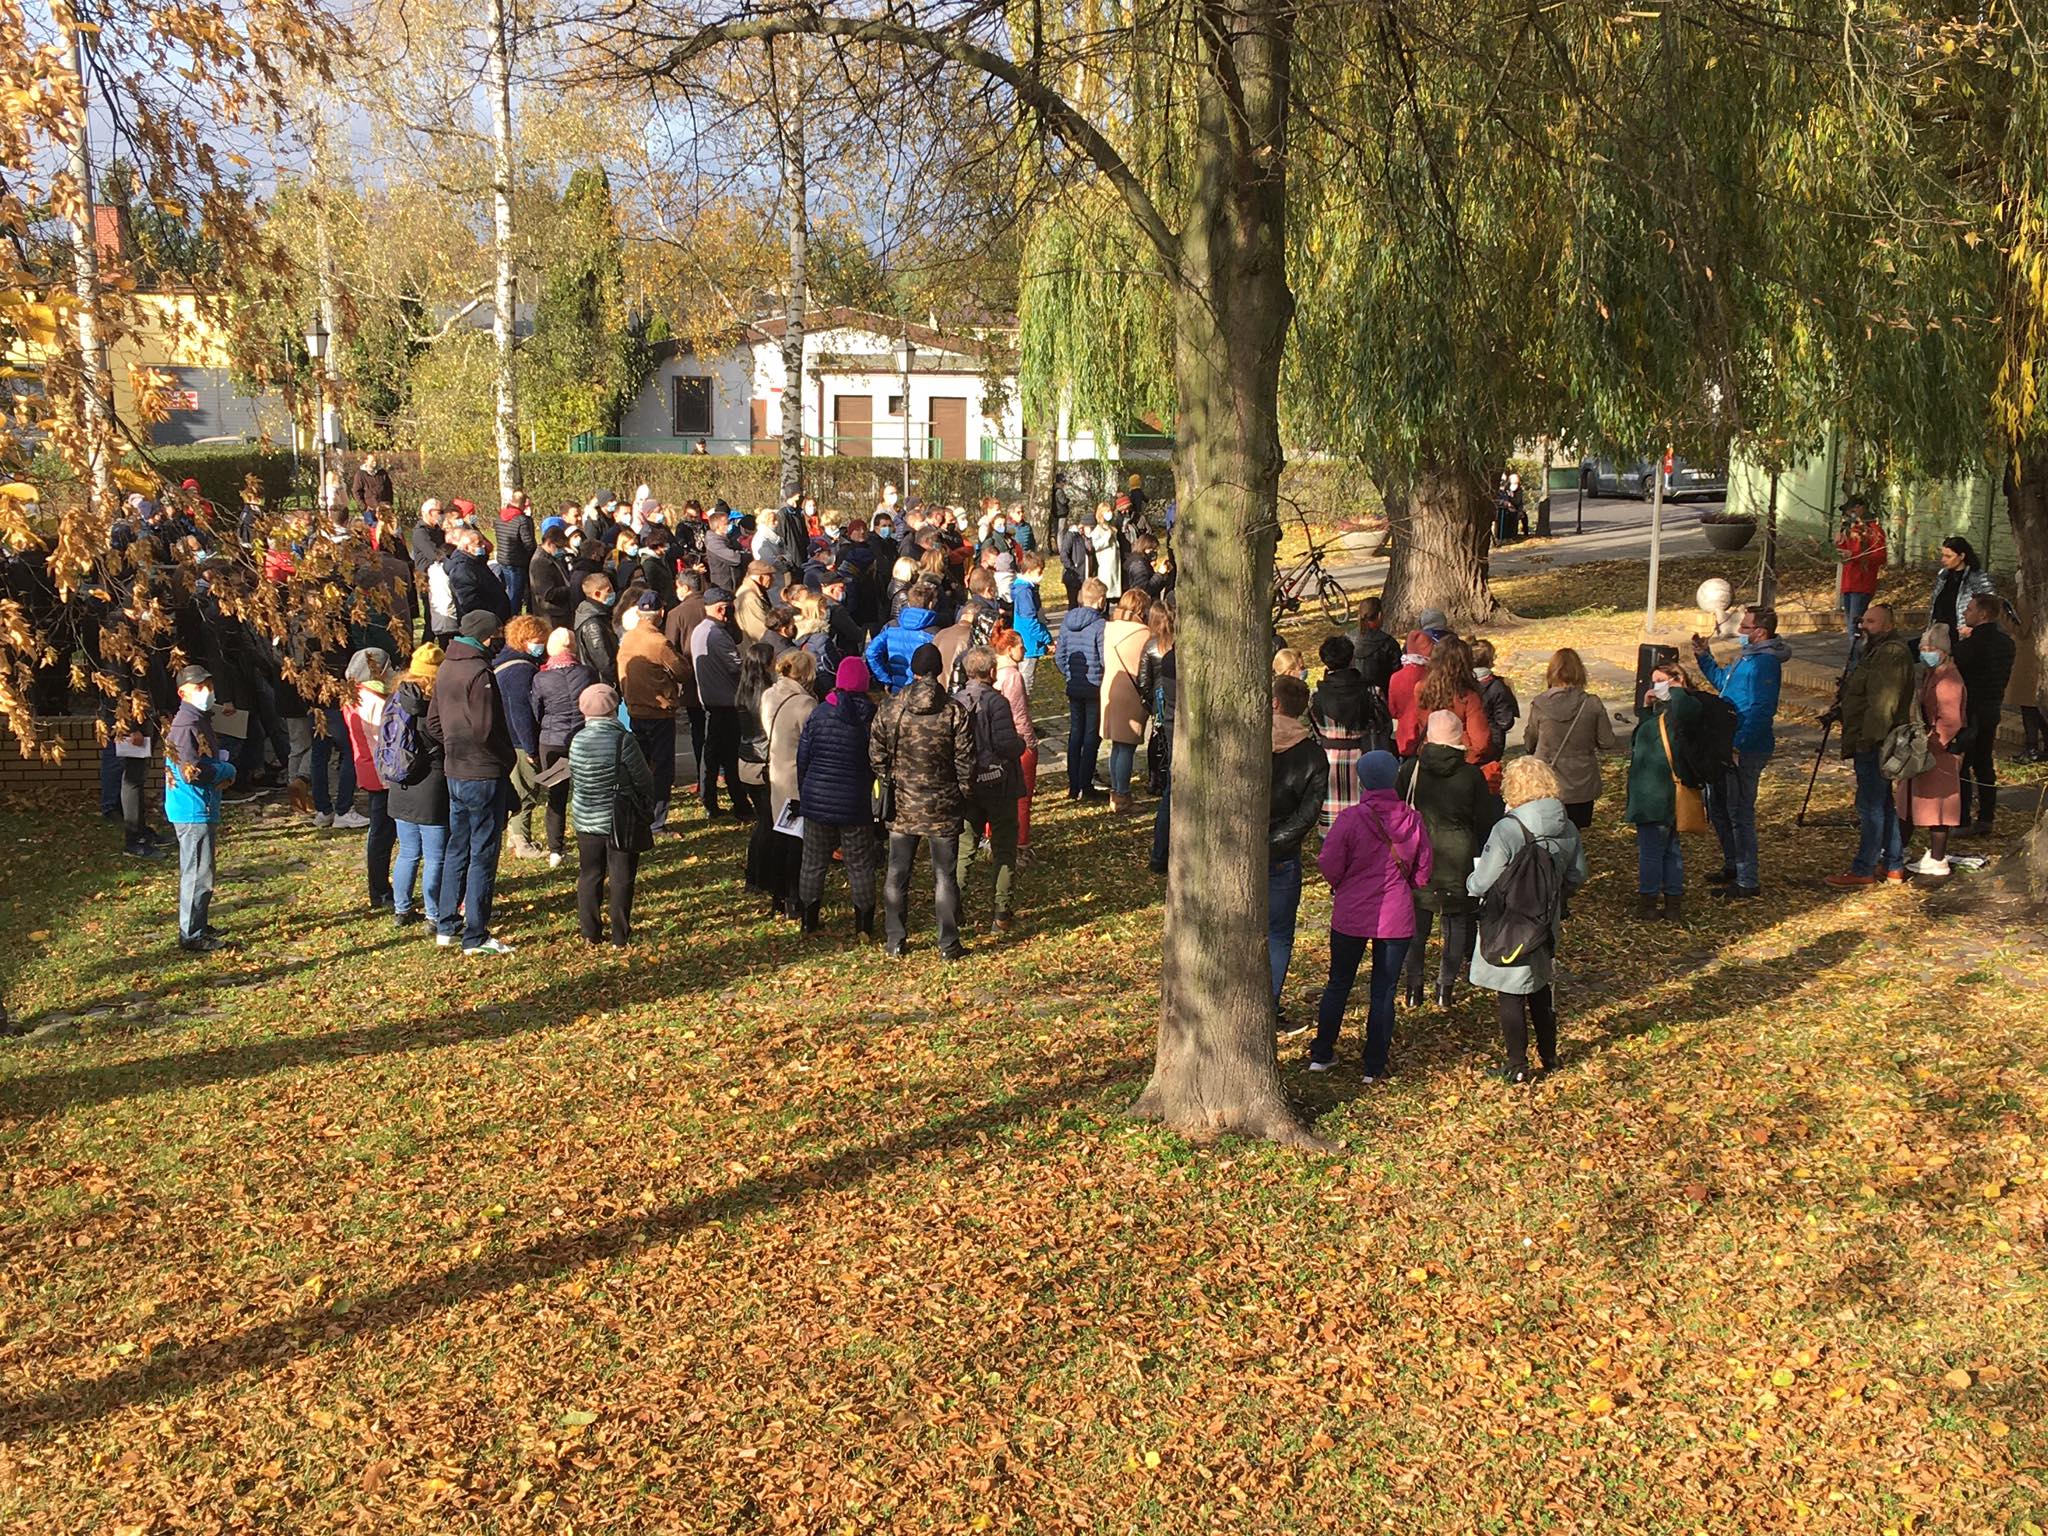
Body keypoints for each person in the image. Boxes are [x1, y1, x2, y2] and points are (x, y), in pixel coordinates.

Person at [1309, 749, 1431, 1079]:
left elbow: (1328, 861)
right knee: (1384, 991)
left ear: (1362, 781)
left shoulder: (1350, 819)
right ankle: (1373, 1066)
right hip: (1396, 917)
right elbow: (1422, 873)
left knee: (1338, 984)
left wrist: (1344, 884)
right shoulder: (1412, 819)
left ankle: (1322, 1053)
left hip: (1351, 913)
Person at [1467, 756, 1589, 1083]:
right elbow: (1578, 874)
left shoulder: (1508, 829)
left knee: (1510, 991)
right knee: (1540, 986)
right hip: (1545, 921)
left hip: (1511, 921)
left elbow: (1483, 880)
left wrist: (1470, 884)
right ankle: (1549, 1056)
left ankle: (1517, 1065)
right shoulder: (1567, 825)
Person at [872, 643, 976, 959]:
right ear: (939, 670)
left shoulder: (890, 708)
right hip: (943, 808)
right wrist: (962, 794)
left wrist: (891, 778)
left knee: (897, 872)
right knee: (944, 876)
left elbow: (876, 755)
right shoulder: (954, 711)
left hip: (902, 806)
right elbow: (966, 762)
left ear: (913, 672)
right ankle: (948, 943)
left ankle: (895, 940)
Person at [424, 611, 515, 957]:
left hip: (454, 771)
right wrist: (504, 759)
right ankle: (475, 934)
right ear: (487, 637)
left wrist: (451, 747)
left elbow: (433, 721)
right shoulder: (480, 672)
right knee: (483, 853)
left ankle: (446, 924)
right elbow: (486, 729)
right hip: (483, 773)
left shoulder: (446, 666)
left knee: (456, 847)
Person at [1396, 710, 1498, 1010]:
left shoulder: (1411, 769)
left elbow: (1397, 809)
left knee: (1417, 925)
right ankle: (1445, 988)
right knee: (1455, 923)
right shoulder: (1471, 775)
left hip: (1419, 853)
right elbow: (1485, 819)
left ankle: (1413, 987)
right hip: (1459, 854)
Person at [1691, 604, 1789, 899]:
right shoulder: (1746, 659)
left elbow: (1761, 710)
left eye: (1745, 628)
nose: (1739, 633)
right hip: (1727, 741)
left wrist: (1739, 745)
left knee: (1739, 812)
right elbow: (1723, 684)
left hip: (1745, 749)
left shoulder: (1764, 664)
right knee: (1719, 807)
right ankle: (1733, 863)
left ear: (1760, 632)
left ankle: (1748, 879)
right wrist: (1703, 657)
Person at [1826, 603, 1919, 888]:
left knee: (1871, 807)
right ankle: (1893, 865)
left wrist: (1869, 741)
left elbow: (1884, 704)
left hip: (1876, 742)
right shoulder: (1874, 649)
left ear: (1888, 626)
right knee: (1882, 804)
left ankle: (1864, 868)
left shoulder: (1891, 653)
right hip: (1868, 737)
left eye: (1872, 621)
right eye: (1864, 620)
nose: (1864, 625)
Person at [796, 657, 880, 936]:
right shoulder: (871, 718)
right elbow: (878, 762)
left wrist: (806, 792)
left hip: (817, 799)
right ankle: (864, 926)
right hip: (856, 802)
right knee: (860, 865)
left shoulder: (819, 714)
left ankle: (808, 921)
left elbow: (803, 758)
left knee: (812, 862)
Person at [567, 683, 655, 948]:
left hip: (585, 818)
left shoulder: (577, 739)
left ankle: (590, 932)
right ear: (614, 709)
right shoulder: (623, 740)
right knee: (621, 876)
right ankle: (620, 935)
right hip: (620, 818)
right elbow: (643, 779)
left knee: (590, 874)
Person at [1268, 673, 1329, 1027]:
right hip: (1282, 853)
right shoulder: (1313, 754)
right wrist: (1278, 842)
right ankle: (1269, 1005)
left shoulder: (1249, 739)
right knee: (1278, 934)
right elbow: (1309, 813)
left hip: (1248, 846)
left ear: (1275, 703)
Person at [1624, 659, 1705, 920]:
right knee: (1670, 849)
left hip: (1657, 793)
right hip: (1654, 792)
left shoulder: (1685, 708)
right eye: (1654, 681)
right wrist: (1647, 709)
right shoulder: (1663, 713)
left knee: (1652, 852)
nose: (1656, 685)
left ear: (1676, 680)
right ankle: (1672, 902)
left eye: (1661, 680)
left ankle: (1649, 901)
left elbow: (1680, 718)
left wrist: (1677, 688)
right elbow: (1644, 738)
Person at [955, 644, 1028, 933]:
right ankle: (1001, 912)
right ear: (992, 671)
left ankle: (955, 907)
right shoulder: (997, 703)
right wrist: (1021, 742)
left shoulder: (956, 701)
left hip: (967, 785)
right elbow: (1006, 745)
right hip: (999, 785)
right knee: (1004, 848)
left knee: (964, 850)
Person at [164, 663, 236, 953]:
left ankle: (199, 923)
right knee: (198, 872)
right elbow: (190, 771)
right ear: (183, 693)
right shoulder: (187, 724)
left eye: (209, 686)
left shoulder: (198, 718)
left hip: (199, 805)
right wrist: (225, 769)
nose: (207, 692)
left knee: (203, 869)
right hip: (192, 808)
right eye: (199, 688)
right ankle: (191, 933)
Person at [385, 644, 449, 930]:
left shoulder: (395, 701)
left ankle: (402, 909)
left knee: (408, 852)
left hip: (400, 784)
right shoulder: (434, 709)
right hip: (431, 786)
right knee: (436, 856)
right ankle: (434, 914)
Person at [1899, 624, 1969, 878]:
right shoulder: (1933, 673)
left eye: (1930, 649)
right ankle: (1905, 849)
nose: (1925, 653)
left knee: (1939, 807)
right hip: (1927, 747)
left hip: (1939, 750)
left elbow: (1950, 720)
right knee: (1911, 802)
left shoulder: (1949, 679)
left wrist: (1931, 742)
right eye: (1923, 649)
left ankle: (1938, 858)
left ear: (1942, 651)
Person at [1521, 647, 1618, 829]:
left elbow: (1529, 743)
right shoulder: (1591, 703)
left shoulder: (1540, 704)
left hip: (1547, 781)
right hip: (1582, 782)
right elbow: (1607, 741)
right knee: (1575, 833)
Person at [618, 593, 689, 834]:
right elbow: (682, 671)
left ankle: (641, 814)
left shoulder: (628, 638)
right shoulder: (658, 643)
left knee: (640, 767)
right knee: (662, 768)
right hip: (658, 712)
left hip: (635, 710)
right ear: (661, 613)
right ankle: (657, 821)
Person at [760, 648, 820, 919]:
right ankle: (794, 899)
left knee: (779, 837)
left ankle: (777, 896)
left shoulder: (769, 695)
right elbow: (814, 741)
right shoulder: (805, 704)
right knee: (796, 842)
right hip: (797, 777)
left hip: (776, 772)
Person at [1309, 633, 1390, 832]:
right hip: (1363, 760)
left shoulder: (1316, 697)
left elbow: (1316, 730)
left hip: (1329, 763)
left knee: (1333, 833)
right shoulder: (1372, 692)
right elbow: (1383, 724)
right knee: (1364, 828)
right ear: (1351, 657)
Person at [530, 628, 594, 867]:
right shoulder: (587, 673)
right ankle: (590, 839)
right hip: (582, 739)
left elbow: (536, 711)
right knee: (587, 790)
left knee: (556, 796)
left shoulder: (541, 678)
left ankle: (555, 849)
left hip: (552, 742)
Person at [1952, 594, 2016, 835]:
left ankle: (1962, 819)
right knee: (1984, 763)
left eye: (1969, 609)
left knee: (1963, 764)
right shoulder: (2006, 643)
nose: (1965, 613)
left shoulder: (1970, 646)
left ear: (1983, 615)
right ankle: (1986, 817)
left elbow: (1957, 668)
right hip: (1992, 707)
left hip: (1970, 711)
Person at [341, 648, 397, 907]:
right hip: (382, 771)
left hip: (366, 767)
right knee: (382, 834)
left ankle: (380, 887)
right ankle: (380, 890)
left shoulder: (353, 696)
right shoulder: (375, 700)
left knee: (381, 831)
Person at [692, 587, 750, 819]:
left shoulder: (700, 630)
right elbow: (736, 666)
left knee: (713, 755)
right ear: (721, 608)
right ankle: (739, 804)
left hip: (711, 699)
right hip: (724, 702)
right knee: (727, 756)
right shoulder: (716, 633)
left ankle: (712, 801)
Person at [494, 614, 548, 861]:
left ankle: (515, 836)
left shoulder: (504, 663)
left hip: (505, 739)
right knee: (525, 792)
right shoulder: (520, 672)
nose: (542, 645)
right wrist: (530, 748)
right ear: (524, 640)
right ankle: (521, 841)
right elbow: (521, 712)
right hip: (518, 741)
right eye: (538, 640)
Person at [1414, 636, 1495, 788]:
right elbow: (1480, 742)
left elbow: (1421, 724)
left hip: (1428, 759)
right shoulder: (1468, 696)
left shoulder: (1421, 689)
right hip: (1460, 764)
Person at [1055, 577, 1108, 801]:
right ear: (1101, 600)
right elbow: (1104, 657)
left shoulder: (1067, 621)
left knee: (1075, 734)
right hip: (1094, 687)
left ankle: (1073, 784)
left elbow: (1059, 656)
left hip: (1074, 685)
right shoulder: (1100, 625)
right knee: (1090, 736)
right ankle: (1086, 784)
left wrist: (1069, 674)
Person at [1100, 588, 1152, 812]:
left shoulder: (1109, 627)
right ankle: (1122, 796)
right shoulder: (1143, 633)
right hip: (1130, 693)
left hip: (1111, 686)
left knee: (1117, 747)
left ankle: (1117, 792)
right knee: (1127, 747)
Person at [992, 626, 1040, 858]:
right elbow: (1019, 714)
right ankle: (1021, 843)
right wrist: (1031, 743)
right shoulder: (1013, 677)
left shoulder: (993, 674)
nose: (1025, 650)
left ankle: (991, 836)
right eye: (1021, 646)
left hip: (996, 744)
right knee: (1022, 797)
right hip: (1018, 744)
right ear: (1010, 649)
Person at [865, 580, 941, 693]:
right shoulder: (934, 633)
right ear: (931, 604)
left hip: (896, 688)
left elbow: (871, 652)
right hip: (920, 691)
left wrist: (885, 678)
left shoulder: (891, 626)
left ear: (909, 603)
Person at [1835, 497, 1886, 655]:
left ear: (1860, 508)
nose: (1848, 515)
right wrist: (1840, 543)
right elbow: (1845, 555)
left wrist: (1854, 554)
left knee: (1855, 627)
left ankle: (1856, 661)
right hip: (1849, 582)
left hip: (1862, 583)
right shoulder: (1852, 531)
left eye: (1851, 511)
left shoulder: (1872, 530)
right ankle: (1855, 660)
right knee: (1851, 625)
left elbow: (1879, 557)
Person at [1470, 639, 1519, 779]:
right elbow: (1505, 721)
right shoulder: (1497, 686)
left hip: (1469, 740)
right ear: (1490, 660)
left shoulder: (1463, 682)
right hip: (1493, 741)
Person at [1929, 536, 1996, 638]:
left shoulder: (1977, 578)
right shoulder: (1943, 575)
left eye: (1948, 556)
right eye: (1943, 555)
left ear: (1961, 556)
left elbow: (1990, 606)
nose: (1943, 560)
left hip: (1962, 633)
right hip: (1940, 632)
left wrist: (1973, 628)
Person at [2009, 587, 2045, 763]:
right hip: (2039, 657)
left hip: (2029, 659)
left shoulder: (2028, 598)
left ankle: (2031, 748)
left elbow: (2020, 630)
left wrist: (2003, 613)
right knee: (2037, 707)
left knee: (2029, 705)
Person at [1387, 631, 1435, 754]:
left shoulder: (1396, 677)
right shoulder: (1434, 676)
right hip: (1430, 739)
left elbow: (1393, 711)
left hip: (1405, 738)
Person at [1010, 550, 1052, 689]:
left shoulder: (1028, 589)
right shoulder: (1025, 592)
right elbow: (1030, 623)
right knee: (1025, 681)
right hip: (1028, 642)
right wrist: (1046, 639)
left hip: (1028, 641)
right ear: (1029, 571)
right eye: (1039, 572)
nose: (1041, 576)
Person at [573, 572, 620, 688]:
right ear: (597, 594)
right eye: (609, 590)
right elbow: (604, 662)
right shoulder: (593, 624)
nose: (613, 593)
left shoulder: (597, 613)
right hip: (603, 683)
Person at [1350, 595, 1402, 698]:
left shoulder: (1348, 639)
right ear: (1380, 615)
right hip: (1382, 697)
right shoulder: (1388, 643)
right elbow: (1397, 674)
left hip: (1353, 697)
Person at [530, 518, 577, 630]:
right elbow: (548, 594)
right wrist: (571, 588)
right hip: (552, 616)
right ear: (550, 543)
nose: (562, 550)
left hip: (561, 612)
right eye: (559, 546)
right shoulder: (540, 562)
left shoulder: (552, 557)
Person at [493, 499, 536, 613]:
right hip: (518, 562)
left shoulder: (499, 518)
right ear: (522, 505)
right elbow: (528, 543)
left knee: (510, 591)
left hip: (503, 559)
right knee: (516, 595)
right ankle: (513, 619)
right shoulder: (521, 520)